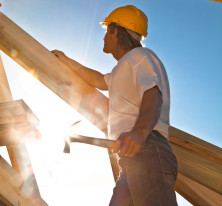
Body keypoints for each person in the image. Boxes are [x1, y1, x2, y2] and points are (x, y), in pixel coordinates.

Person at [52, 5, 178, 206]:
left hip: (148, 150)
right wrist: (67, 61)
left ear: (116, 30)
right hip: (132, 158)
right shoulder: (124, 67)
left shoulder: (140, 57)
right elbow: (99, 80)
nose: (104, 37)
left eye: (107, 31)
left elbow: (153, 94)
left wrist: (139, 132)